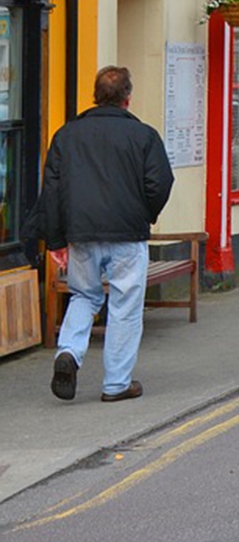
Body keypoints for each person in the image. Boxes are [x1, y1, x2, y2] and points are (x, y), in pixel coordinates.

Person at [38, 66, 174, 403]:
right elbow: (160, 184)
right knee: (125, 306)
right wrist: (145, 215)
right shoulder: (144, 136)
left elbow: (51, 190)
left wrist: (55, 239)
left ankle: (68, 351)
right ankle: (116, 384)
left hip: (81, 233)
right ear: (128, 98)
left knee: (84, 296)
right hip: (127, 234)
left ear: (95, 96)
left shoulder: (66, 135)